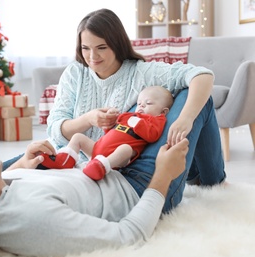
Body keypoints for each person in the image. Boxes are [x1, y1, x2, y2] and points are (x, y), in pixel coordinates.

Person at [0, 112, 189, 257]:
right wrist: (164, 175)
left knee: (167, 98)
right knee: (190, 98)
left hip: (109, 166)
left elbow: (5, 182)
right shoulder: (30, 218)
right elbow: (128, 236)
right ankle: (209, 177)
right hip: (138, 187)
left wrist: (23, 163)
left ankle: (205, 174)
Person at [45, 8, 226, 213]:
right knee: (28, 160)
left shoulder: (140, 72)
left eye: (101, 47)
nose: (92, 56)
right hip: (93, 163)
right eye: (85, 48)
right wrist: (89, 119)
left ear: (117, 44)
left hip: (128, 165)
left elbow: (202, 75)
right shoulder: (75, 73)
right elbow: (53, 130)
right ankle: (210, 179)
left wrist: (186, 118)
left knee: (193, 94)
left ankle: (207, 179)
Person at [41, 85, 174, 181]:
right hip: (98, 148)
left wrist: (138, 123)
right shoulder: (129, 116)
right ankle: (65, 160)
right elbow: (111, 130)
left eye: (148, 103)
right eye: (139, 103)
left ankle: (102, 167)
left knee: (125, 148)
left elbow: (153, 136)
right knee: (78, 137)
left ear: (163, 112)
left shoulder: (156, 120)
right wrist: (110, 119)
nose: (141, 106)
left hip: (117, 158)